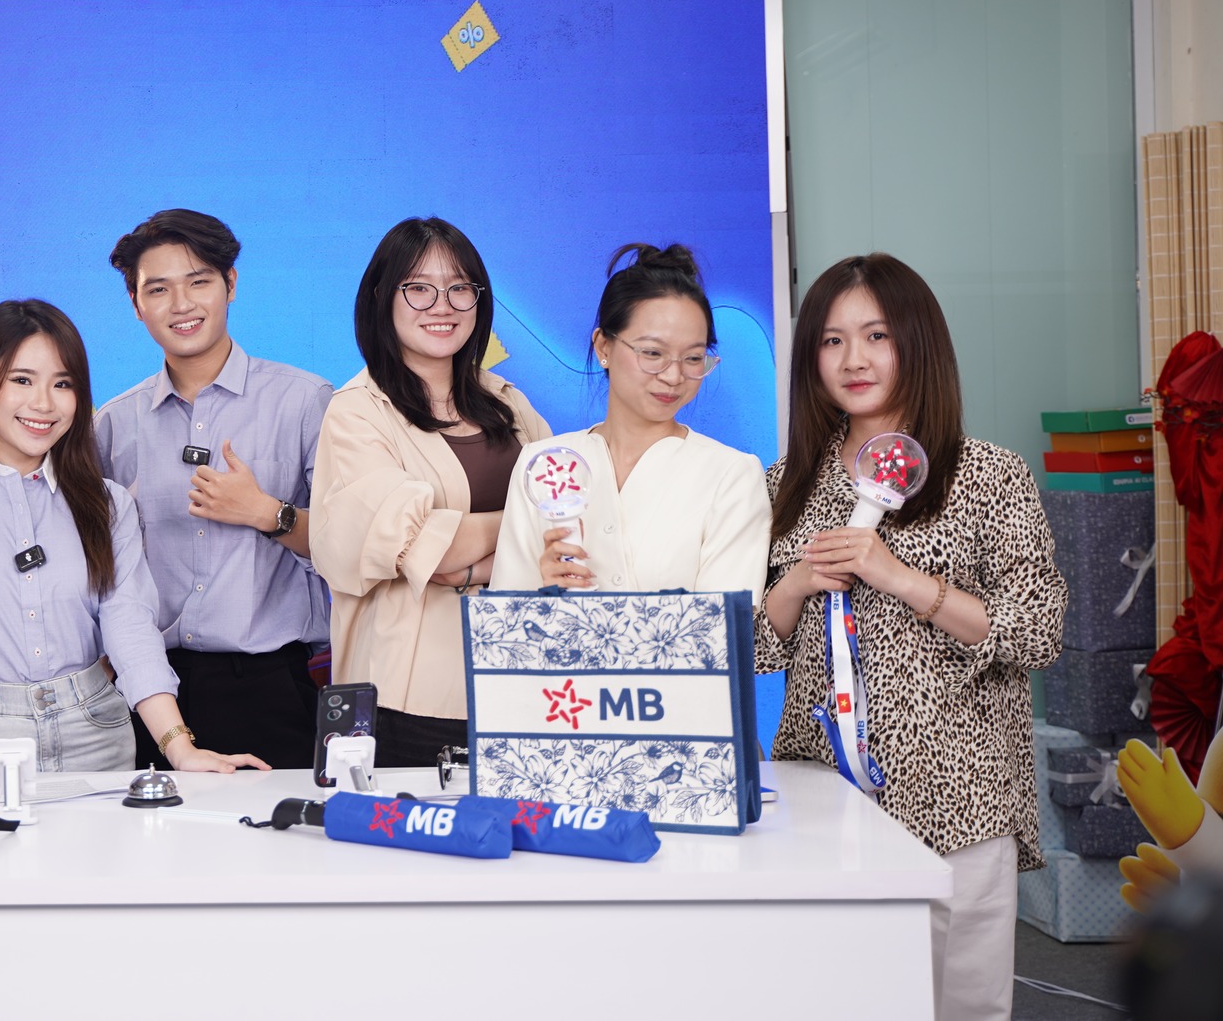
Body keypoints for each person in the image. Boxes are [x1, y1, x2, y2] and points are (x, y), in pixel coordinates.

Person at [755, 253, 1066, 1021]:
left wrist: (901, 578)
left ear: (917, 342)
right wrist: (796, 582)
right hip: (824, 795)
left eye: (877, 335)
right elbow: (754, 648)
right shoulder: (782, 483)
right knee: (832, 1001)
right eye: (831, 340)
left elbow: (1037, 629)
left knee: (964, 1007)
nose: (853, 359)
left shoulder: (989, 475)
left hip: (960, 798)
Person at [0, 299, 269, 779]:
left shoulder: (107, 503)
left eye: (62, 384)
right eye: (22, 380)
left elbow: (130, 629)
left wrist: (180, 749)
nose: (43, 404)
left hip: (96, 731)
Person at [96, 210, 333, 769]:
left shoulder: (305, 402)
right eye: (158, 289)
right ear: (136, 304)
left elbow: (348, 549)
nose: (181, 304)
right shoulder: (111, 426)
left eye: (199, 281)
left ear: (230, 284)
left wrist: (266, 513)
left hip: (274, 685)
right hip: (154, 691)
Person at [310, 218, 549, 769]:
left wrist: (469, 560)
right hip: (408, 697)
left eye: (460, 287)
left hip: (522, 681)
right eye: (419, 288)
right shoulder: (356, 412)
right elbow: (430, 552)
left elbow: (570, 526)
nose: (442, 305)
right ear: (381, 297)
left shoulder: (509, 403)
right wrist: (521, 526)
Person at [493, 243, 768, 598]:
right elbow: (504, 619)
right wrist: (545, 595)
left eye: (693, 358)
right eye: (653, 353)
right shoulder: (545, 464)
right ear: (603, 347)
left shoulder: (731, 476)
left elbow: (724, 625)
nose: (673, 376)